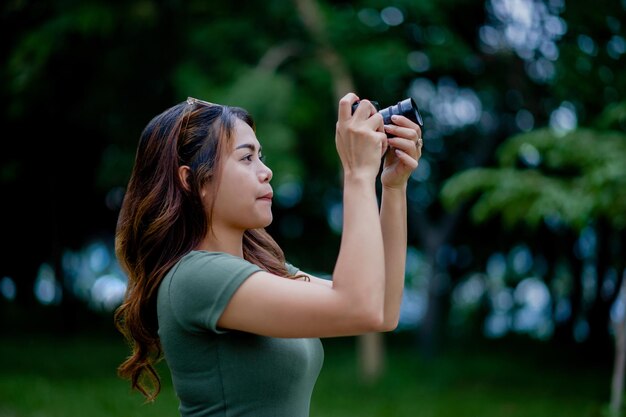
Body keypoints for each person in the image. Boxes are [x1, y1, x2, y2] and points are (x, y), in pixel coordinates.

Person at [114, 92, 423, 417]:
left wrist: (392, 187)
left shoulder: (261, 270)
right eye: (247, 158)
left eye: (261, 156)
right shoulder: (195, 277)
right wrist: (358, 174)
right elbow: (357, 306)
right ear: (192, 181)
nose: (266, 171)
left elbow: (382, 310)